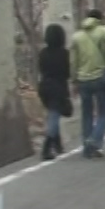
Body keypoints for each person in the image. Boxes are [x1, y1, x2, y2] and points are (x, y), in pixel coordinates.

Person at [70, 9, 105, 159]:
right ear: (100, 19)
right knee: (104, 112)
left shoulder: (77, 36)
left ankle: (87, 148)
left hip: (83, 79)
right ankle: (95, 140)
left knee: (86, 114)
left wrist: (74, 79)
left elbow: (73, 61)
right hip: (101, 76)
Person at [37, 23, 71, 161]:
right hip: (58, 86)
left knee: (52, 113)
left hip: (44, 86)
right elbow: (66, 73)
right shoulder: (64, 53)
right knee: (54, 116)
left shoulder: (43, 53)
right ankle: (47, 146)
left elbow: (41, 69)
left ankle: (58, 144)